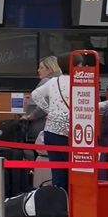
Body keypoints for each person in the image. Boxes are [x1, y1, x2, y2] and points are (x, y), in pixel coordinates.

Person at [30, 58, 73, 189]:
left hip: (50, 131)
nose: (38, 70)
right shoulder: (76, 82)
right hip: (67, 133)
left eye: (41, 67)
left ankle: (59, 199)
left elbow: (35, 95)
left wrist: (50, 111)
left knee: (58, 174)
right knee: (71, 174)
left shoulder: (53, 81)